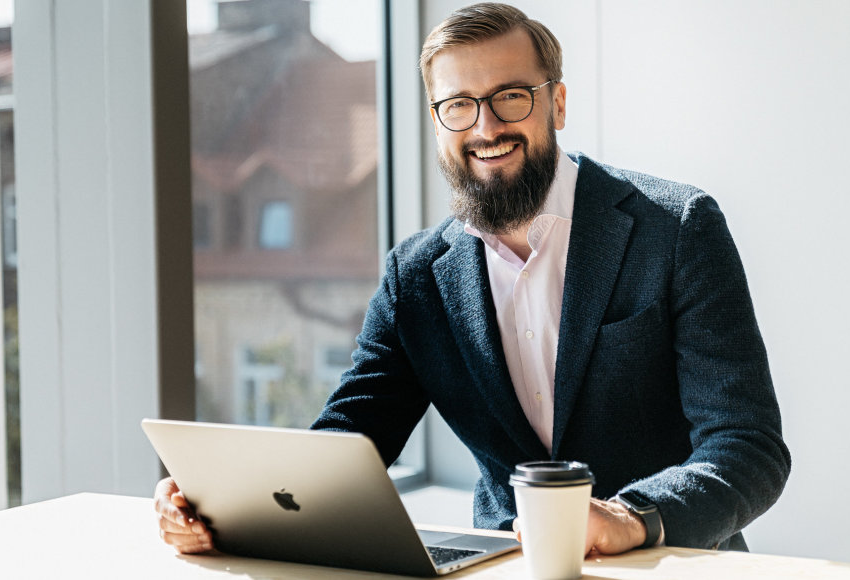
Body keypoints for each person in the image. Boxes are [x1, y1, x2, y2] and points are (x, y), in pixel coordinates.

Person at [155, 2, 790, 557]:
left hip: (671, 563)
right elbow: (347, 449)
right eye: (459, 105)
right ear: (438, 123)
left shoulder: (676, 229)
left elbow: (748, 446)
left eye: (511, 96)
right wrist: (221, 506)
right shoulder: (416, 277)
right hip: (504, 568)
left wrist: (631, 518)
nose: (486, 128)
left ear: (557, 103)